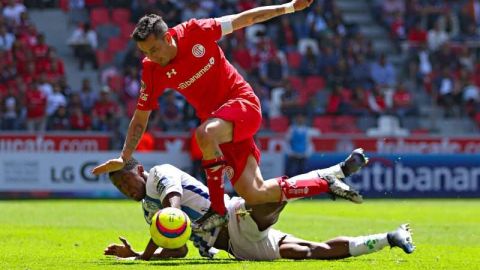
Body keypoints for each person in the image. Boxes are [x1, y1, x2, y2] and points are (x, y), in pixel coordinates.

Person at [92, 1, 348, 232]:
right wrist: (125, 157)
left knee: (204, 133)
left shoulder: (195, 31)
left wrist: (289, 7)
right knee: (255, 193)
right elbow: (140, 117)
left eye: (154, 49)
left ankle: (217, 209)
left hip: (242, 104)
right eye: (145, 52)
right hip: (220, 127)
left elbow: (244, 19)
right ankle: (325, 181)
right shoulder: (151, 69)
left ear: (168, 36)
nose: (151, 57)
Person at [103, 154, 414, 261]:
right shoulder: (147, 210)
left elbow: (172, 201)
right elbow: (178, 249)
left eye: (125, 180)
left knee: (265, 199)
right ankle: (392, 237)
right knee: (311, 251)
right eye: (119, 187)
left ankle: (333, 176)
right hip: (242, 249)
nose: (125, 188)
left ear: (139, 169)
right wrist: (141, 255)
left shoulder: (159, 174)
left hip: (233, 217)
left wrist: (164, 225)